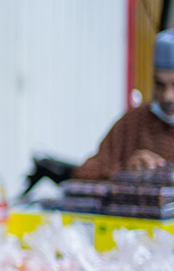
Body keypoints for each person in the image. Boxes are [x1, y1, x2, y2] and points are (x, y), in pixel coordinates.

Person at [73, 29, 174, 179]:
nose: (167, 97)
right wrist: (124, 171)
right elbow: (83, 174)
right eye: (159, 85)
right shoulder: (134, 122)